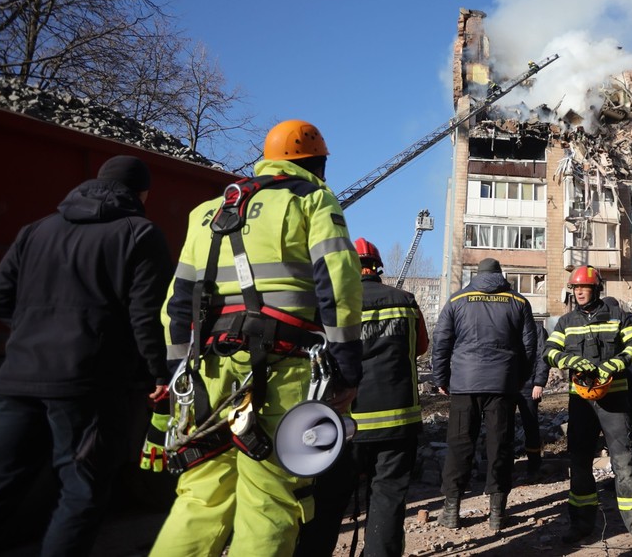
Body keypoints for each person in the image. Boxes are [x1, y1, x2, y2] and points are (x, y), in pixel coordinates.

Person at [150, 119, 363, 557]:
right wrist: (346, 369)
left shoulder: (207, 212)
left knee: (200, 498)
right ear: (318, 164)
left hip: (206, 373)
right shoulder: (314, 200)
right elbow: (338, 285)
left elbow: (177, 302)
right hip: (279, 369)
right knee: (269, 500)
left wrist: (177, 376)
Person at [0, 155, 172, 556]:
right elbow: (146, 317)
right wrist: (158, 373)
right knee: (81, 491)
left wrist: (35, 333)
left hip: (16, 379)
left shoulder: (36, 230)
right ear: (142, 192)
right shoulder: (139, 234)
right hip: (87, 386)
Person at [295, 238, 428, 557]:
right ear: (377, 268)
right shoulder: (406, 301)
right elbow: (420, 347)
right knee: (388, 499)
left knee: (327, 503)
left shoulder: (333, 304)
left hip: (344, 423)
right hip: (398, 421)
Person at [545, 265, 632, 548]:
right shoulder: (566, 322)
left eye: (583, 287)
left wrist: (616, 363)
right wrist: (569, 361)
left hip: (614, 401)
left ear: (596, 289)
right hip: (581, 402)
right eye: (575, 288)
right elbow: (549, 352)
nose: (578, 292)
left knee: (624, 463)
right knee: (580, 463)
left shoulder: (619, 317)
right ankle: (581, 524)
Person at [431, 257, 537, 532]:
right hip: (502, 384)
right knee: (499, 445)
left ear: (476, 275)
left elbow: (441, 342)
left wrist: (441, 378)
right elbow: (529, 347)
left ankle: (452, 511)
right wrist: (518, 379)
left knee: (459, 445)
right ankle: (497, 515)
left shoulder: (457, 300)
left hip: (464, 384)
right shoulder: (519, 301)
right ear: (500, 275)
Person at [516, 318, 550, 479]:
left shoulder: (537, 329)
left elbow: (543, 356)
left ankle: (534, 466)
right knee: (503, 427)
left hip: (529, 386)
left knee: (530, 425)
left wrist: (539, 382)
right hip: (506, 385)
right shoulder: (507, 324)